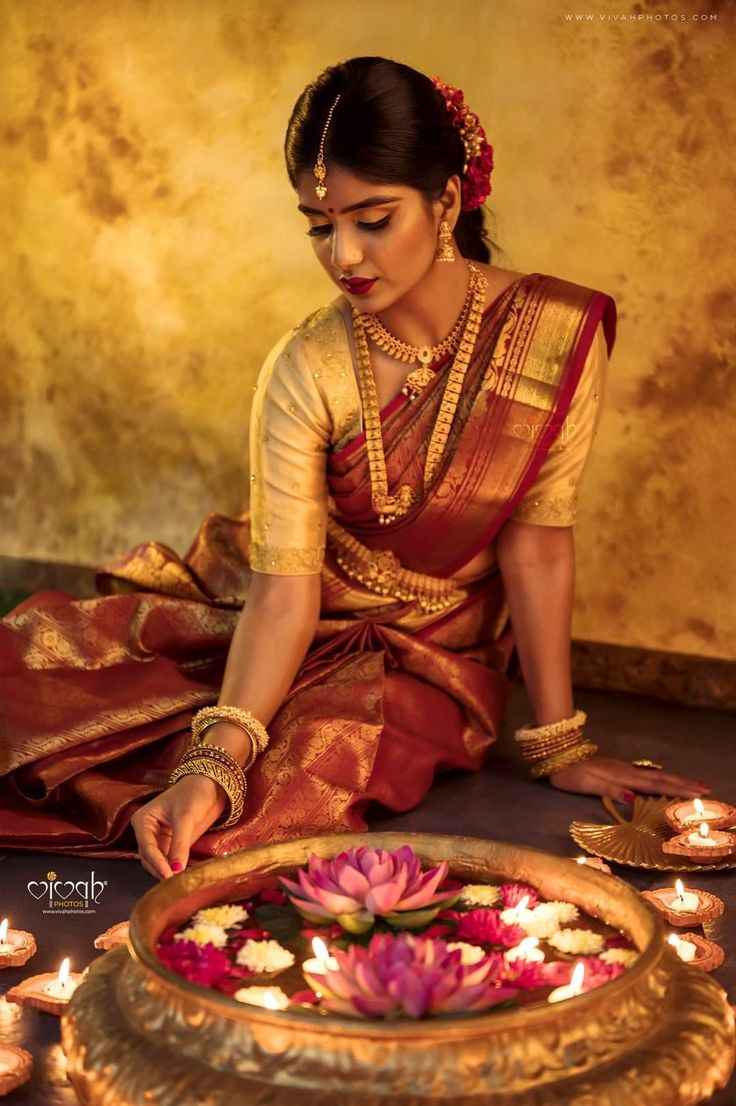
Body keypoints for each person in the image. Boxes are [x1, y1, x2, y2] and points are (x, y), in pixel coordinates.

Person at [0, 57, 708, 880]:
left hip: (434, 652)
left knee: (292, 786)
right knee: (55, 696)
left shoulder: (555, 336)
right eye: (318, 223)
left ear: (447, 200)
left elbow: (538, 544)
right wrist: (211, 765)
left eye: (373, 218)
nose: (343, 255)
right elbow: (284, 593)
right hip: (288, 605)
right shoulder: (308, 367)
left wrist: (560, 744)